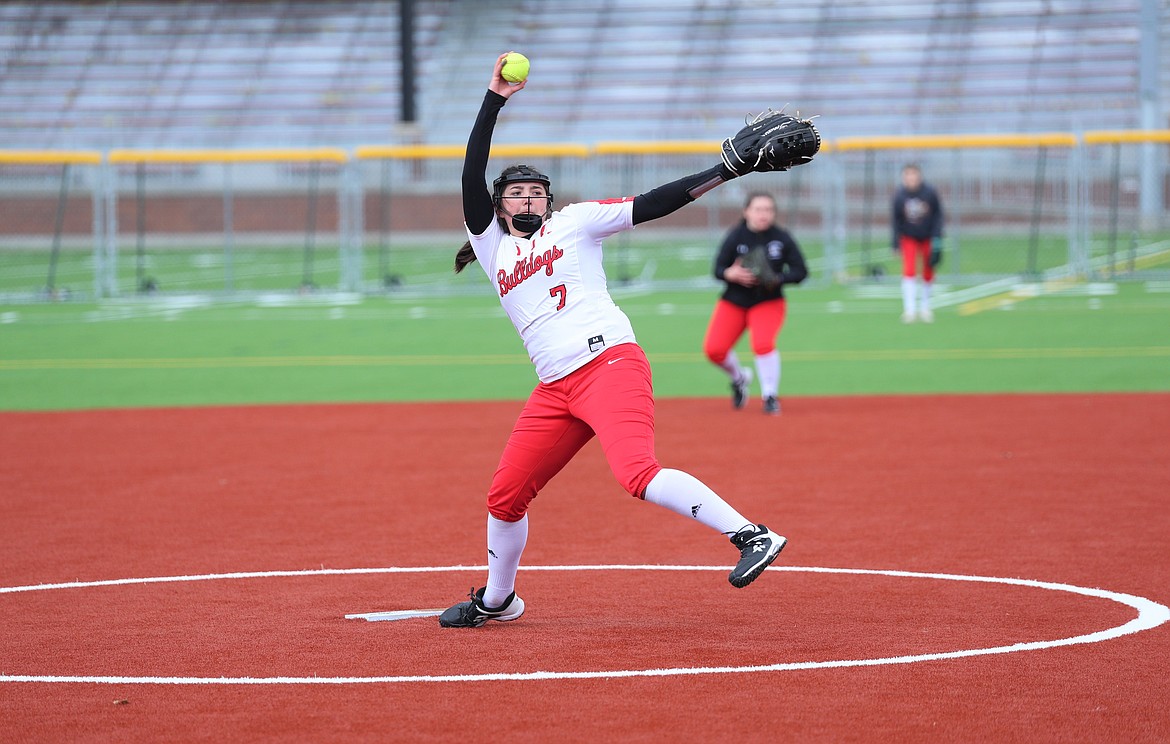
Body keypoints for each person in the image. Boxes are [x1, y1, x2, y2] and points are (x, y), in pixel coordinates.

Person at [439, 52, 806, 628]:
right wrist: (494, 101)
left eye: (537, 192)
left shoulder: (576, 222)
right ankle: (498, 600)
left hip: (609, 363)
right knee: (504, 497)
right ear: (498, 205)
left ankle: (752, 535)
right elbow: (469, 171)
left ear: (549, 199)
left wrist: (725, 171)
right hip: (555, 388)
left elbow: (653, 203)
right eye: (516, 194)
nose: (528, 200)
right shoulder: (492, 246)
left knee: (636, 472)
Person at [704, 192, 807, 415]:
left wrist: (778, 279)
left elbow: (801, 272)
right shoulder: (736, 235)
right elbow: (718, 269)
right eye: (758, 209)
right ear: (746, 211)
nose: (764, 214)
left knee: (762, 344)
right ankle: (739, 378)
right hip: (735, 300)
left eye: (769, 210)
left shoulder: (781, 237)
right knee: (714, 350)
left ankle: (769, 395)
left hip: (768, 301)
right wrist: (730, 273)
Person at [891, 163, 944, 323]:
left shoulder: (929, 193)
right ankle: (910, 309)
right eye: (908, 175)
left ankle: (925, 307)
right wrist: (895, 243)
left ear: (919, 176)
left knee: (928, 270)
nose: (911, 179)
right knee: (909, 270)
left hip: (928, 236)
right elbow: (896, 221)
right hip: (909, 237)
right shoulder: (899, 196)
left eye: (914, 175)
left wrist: (937, 238)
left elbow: (938, 216)